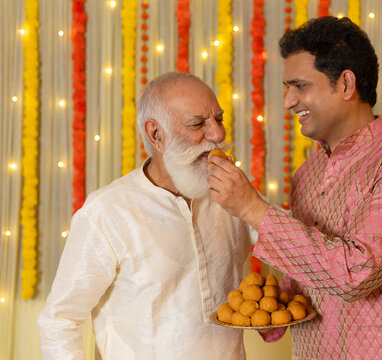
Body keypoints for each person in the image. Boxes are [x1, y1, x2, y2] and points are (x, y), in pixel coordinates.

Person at [207, 16, 382, 359]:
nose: (289, 101)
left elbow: (355, 275)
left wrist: (252, 208)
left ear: (346, 84)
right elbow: (308, 278)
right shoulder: (307, 175)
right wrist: (269, 307)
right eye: (287, 88)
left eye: (300, 86)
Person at [38, 72, 256, 359]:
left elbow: (289, 249)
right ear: (156, 134)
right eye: (198, 123)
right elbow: (61, 318)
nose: (218, 134)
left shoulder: (235, 195)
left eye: (219, 118)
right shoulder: (107, 211)